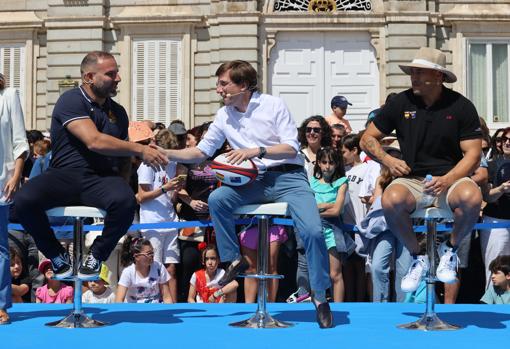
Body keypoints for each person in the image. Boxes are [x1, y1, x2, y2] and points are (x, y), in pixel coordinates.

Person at [161, 60, 333, 328]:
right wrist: (164, 153)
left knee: (312, 231)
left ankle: (320, 297)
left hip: (288, 176)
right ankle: (233, 260)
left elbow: (290, 148)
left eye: (223, 83)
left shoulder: (273, 105)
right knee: (218, 199)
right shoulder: (223, 115)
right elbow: (201, 152)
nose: (218, 89)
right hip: (253, 181)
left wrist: (257, 151)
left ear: (243, 85)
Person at [13, 51, 168, 281]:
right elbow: (93, 141)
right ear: (88, 77)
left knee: (126, 201)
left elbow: (122, 158)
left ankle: (96, 255)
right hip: (63, 176)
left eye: (117, 73)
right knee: (23, 201)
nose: (118, 78)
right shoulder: (71, 99)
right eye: (110, 74)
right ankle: (56, 255)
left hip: (100, 179)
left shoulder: (118, 112)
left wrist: (123, 184)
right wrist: (140, 149)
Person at [360, 46, 482, 293]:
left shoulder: (461, 106)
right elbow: (367, 139)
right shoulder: (400, 102)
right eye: (412, 72)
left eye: (419, 72)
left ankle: (450, 249)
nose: (413, 76)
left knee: (473, 197)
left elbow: (473, 154)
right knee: (390, 199)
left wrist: (448, 179)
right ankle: (418, 257)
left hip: (452, 178)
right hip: (412, 180)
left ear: (438, 76)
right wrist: (388, 160)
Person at [136, 129, 186, 302]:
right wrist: (166, 188)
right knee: (154, 267)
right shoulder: (147, 166)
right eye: (165, 153)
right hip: (152, 223)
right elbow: (141, 197)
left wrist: (177, 188)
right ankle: (155, 304)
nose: (168, 158)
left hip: (170, 221)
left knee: (171, 268)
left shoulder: (173, 164)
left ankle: (172, 304)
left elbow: (170, 197)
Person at [0, 71, 29, 324]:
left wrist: (16, 175)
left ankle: (0, 305)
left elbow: (20, 142)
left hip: (1, 184)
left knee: (0, 248)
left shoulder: (8, 96)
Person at [310, 147, 354, 302]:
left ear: (337, 164)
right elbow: (332, 207)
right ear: (318, 163)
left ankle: (338, 308)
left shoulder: (342, 182)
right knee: (315, 273)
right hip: (314, 230)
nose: (327, 166)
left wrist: (318, 208)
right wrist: (329, 205)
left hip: (332, 231)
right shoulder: (311, 182)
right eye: (324, 162)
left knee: (335, 274)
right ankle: (318, 305)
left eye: (331, 162)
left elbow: (337, 211)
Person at [480, 127, 510, 287]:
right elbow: (487, 197)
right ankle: (493, 307)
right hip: (496, 222)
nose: (507, 142)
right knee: (495, 267)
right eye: (505, 139)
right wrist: (502, 189)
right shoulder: (491, 165)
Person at [116, 236, 173, 303]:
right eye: (148, 253)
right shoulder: (128, 272)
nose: (152, 255)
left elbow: (166, 296)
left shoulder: (159, 267)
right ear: (136, 256)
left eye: (153, 252)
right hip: (134, 311)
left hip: (156, 309)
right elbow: (119, 300)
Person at [240, 224, 287, 303]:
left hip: (272, 224)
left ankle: (271, 305)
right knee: (250, 269)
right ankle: (249, 306)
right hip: (248, 224)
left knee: (271, 267)